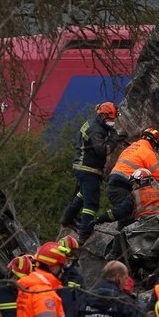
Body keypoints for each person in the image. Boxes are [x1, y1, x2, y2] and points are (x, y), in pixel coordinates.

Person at [60, 102, 119, 244]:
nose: (112, 122)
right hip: (88, 169)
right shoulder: (96, 130)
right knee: (91, 203)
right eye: (111, 118)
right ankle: (84, 234)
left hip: (83, 168)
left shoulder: (95, 125)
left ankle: (66, 219)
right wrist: (114, 139)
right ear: (103, 115)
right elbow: (102, 150)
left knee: (82, 195)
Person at [106, 127, 159, 229]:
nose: (155, 149)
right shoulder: (147, 152)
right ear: (153, 142)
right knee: (129, 220)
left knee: (126, 217)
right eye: (156, 146)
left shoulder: (130, 148)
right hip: (122, 186)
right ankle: (124, 242)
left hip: (115, 185)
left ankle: (122, 240)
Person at [89, 168, 159, 228]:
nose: (132, 186)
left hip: (142, 225)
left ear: (140, 182)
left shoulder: (135, 195)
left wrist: (100, 219)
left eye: (133, 183)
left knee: (120, 240)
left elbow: (119, 211)